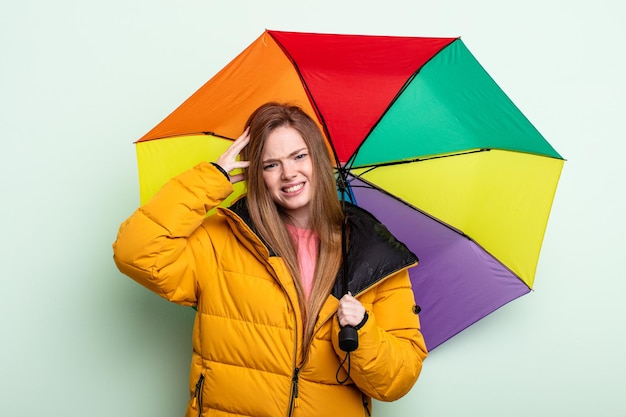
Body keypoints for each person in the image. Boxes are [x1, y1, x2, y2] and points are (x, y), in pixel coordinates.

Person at [113, 102, 428, 416]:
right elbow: (135, 251)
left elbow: (396, 382)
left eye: (298, 156)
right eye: (270, 164)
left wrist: (361, 329)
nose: (289, 173)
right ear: (256, 173)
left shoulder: (374, 254)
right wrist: (211, 180)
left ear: (318, 159)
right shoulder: (223, 239)